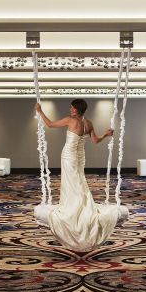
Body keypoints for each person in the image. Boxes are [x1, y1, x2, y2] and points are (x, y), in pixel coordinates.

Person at [34, 99, 125, 252]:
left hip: (69, 156)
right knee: (78, 181)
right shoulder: (88, 123)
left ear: (77, 109)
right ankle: (79, 205)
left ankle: (72, 208)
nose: (70, 109)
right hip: (80, 156)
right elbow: (95, 140)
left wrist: (40, 111)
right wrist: (106, 135)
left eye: (72, 107)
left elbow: (50, 124)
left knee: (72, 182)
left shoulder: (70, 120)